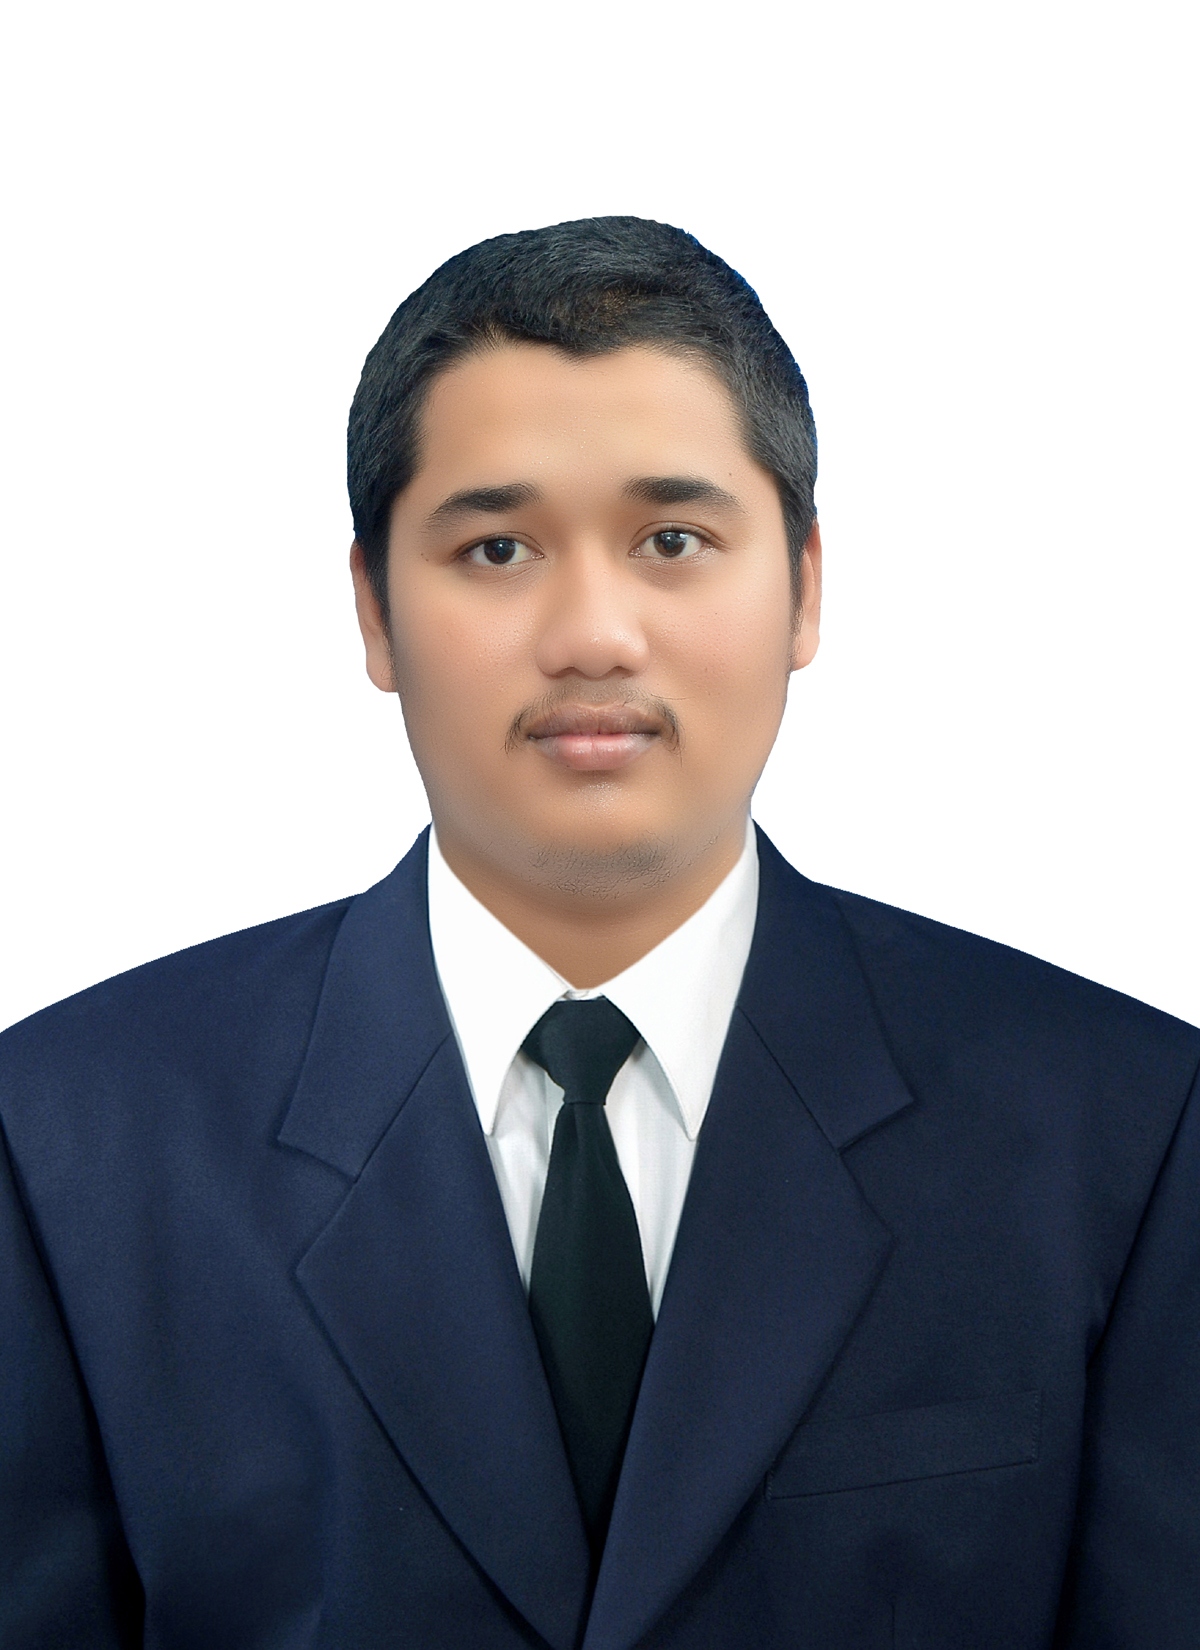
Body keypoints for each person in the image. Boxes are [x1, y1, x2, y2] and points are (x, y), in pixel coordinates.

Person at [1, 217, 1197, 1650]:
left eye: (673, 540)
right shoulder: (69, 1137)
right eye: (496, 547)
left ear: (805, 587)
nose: (592, 633)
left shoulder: (1124, 1127)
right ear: (374, 609)